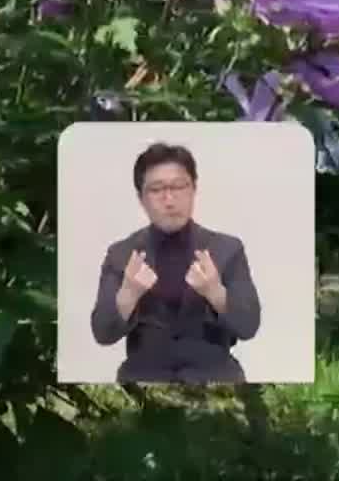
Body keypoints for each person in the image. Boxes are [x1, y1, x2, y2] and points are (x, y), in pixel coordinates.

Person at [89, 142, 261, 383]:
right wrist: (128, 294)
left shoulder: (227, 249)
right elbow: (102, 333)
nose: (169, 200)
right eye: (157, 190)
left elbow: (249, 326)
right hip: (143, 381)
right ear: (141, 198)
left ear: (193, 190)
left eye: (179, 186)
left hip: (216, 379)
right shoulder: (121, 254)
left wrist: (215, 292)